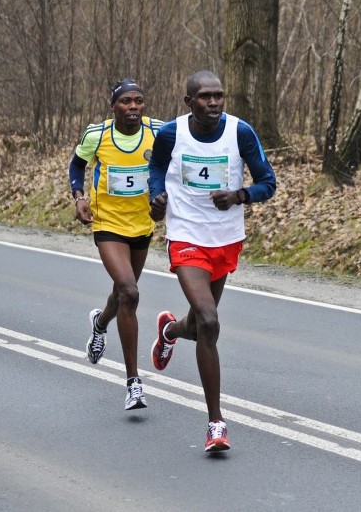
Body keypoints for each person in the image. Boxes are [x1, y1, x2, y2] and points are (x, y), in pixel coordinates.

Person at [148, 70, 276, 451]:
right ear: (189, 102)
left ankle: (170, 331)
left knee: (202, 326)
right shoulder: (172, 134)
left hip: (225, 241)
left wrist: (239, 196)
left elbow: (268, 182)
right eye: (205, 97)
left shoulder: (240, 132)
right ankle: (216, 423)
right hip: (185, 236)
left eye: (219, 95)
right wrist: (157, 195)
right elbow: (156, 169)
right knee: (208, 319)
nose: (214, 103)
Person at [68, 78, 164, 411]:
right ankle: (134, 383)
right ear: (114, 107)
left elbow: (176, 158)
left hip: (142, 224)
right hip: (107, 223)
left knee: (122, 293)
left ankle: (99, 323)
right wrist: (79, 197)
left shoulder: (158, 132)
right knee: (130, 292)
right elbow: (77, 164)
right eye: (126, 101)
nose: (134, 107)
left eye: (139, 101)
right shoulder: (97, 135)